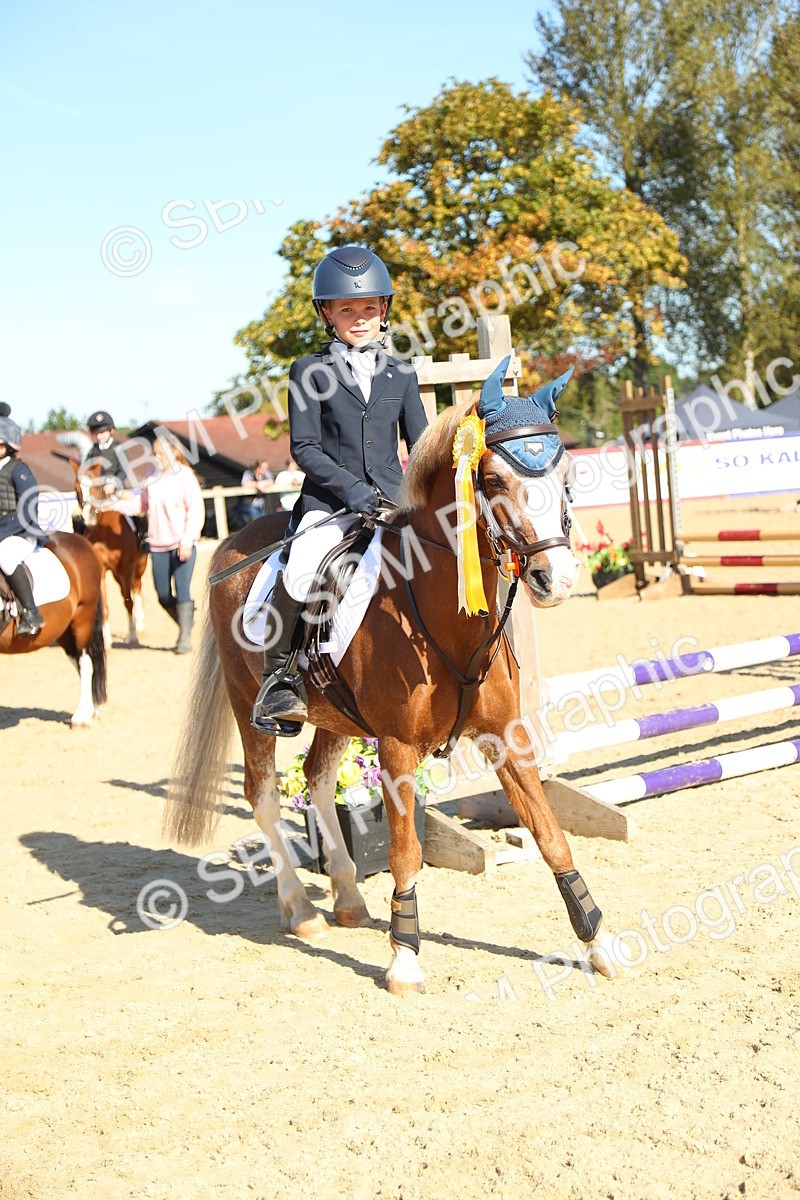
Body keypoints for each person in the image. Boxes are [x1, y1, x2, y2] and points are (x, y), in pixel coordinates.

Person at [251, 244, 428, 736]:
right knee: (305, 565)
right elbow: (305, 448)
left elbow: (423, 445)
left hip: (394, 503)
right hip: (331, 504)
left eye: (368, 307)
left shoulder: (403, 373)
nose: (359, 317)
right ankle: (281, 679)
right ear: (327, 313)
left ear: (383, 311)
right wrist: (352, 490)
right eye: (346, 308)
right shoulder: (309, 371)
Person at [113, 437, 205, 653]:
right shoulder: (151, 478)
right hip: (158, 546)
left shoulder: (185, 476)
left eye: (160, 453)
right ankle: (186, 622)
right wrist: (115, 504)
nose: (157, 457)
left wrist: (188, 539)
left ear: (173, 451)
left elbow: (195, 510)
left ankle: (184, 638)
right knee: (162, 595)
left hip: (182, 543)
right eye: (155, 453)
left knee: (182, 591)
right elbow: (141, 505)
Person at [0, 403, 46, 635]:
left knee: (5, 557)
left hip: (20, 533)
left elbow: (29, 507)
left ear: (6, 446)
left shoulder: (19, 470)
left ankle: (31, 613)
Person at [83, 410, 149, 549]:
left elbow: (124, 470)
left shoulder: (119, 448)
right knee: (81, 514)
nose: (99, 436)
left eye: (103, 432)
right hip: (98, 495)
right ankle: (82, 544)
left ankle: (144, 537)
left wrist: (113, 483)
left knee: (138, 508)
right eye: (96, 433)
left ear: (111, 431)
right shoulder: (92, 451)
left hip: (118, 491)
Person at [236, 459, 274, 525]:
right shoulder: (248, 473)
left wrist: (262, 484)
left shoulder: (266, 473)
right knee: (255, 521)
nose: (265, 469)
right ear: (258, 468)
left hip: (262, 503)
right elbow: (245, 483)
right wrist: (257, 485)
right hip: (250, 503)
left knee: (264, 520)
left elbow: (271, 480)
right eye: (263, 468)